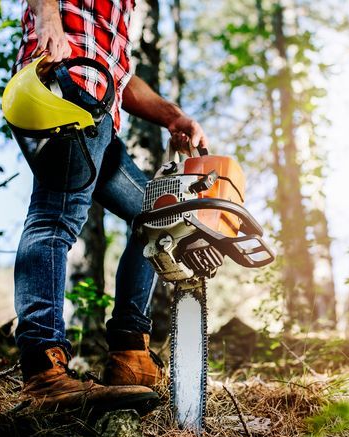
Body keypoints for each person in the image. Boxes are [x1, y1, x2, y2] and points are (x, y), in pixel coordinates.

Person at [11, 0, 208, 411]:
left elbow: (120, 73)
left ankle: (129, 355)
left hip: (99, 103)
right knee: (55, 218)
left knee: (156, 216)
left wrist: (173, 116)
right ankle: (44, 370)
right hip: (67, 88)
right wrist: (48, 16)